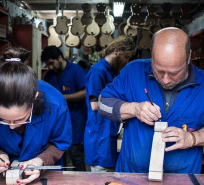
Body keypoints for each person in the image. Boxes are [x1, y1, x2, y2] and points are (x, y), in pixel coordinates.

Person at [98, 27, 204, 173]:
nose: (165, 80)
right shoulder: (133, 71)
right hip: (130, 177)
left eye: (174, 73)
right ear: (151, 55)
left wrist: (194, 138)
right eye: (159, 71)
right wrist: (134, 109)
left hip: (182, 179)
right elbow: (102, 104)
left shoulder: (202, 84)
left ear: (189, 57)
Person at [0, 58, 72, 184]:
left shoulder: (56, 105)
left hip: (46, 173)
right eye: (3, 120)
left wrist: (41, 160)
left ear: (34, 98)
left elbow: (61, 142)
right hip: (1, 176)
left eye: (19, 119)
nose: (11, 127)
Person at [84, 35, 136, 172]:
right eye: (126, 57)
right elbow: (94, 105)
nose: (127, 61)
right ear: (117, 50)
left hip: (107, 132)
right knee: (102, 176)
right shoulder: (98, 71)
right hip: (100, 134)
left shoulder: (110, 71)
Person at [41, 46, 87, 171]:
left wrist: (62, 98)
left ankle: (81, 181)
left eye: (52, 63)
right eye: (48, 64)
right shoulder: (49, 75)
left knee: (75, 151)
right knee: (59, 151)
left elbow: (85, 93)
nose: (50, 67)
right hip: (56, 120)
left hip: (75, 119)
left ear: (60, 58)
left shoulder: (76, 71)